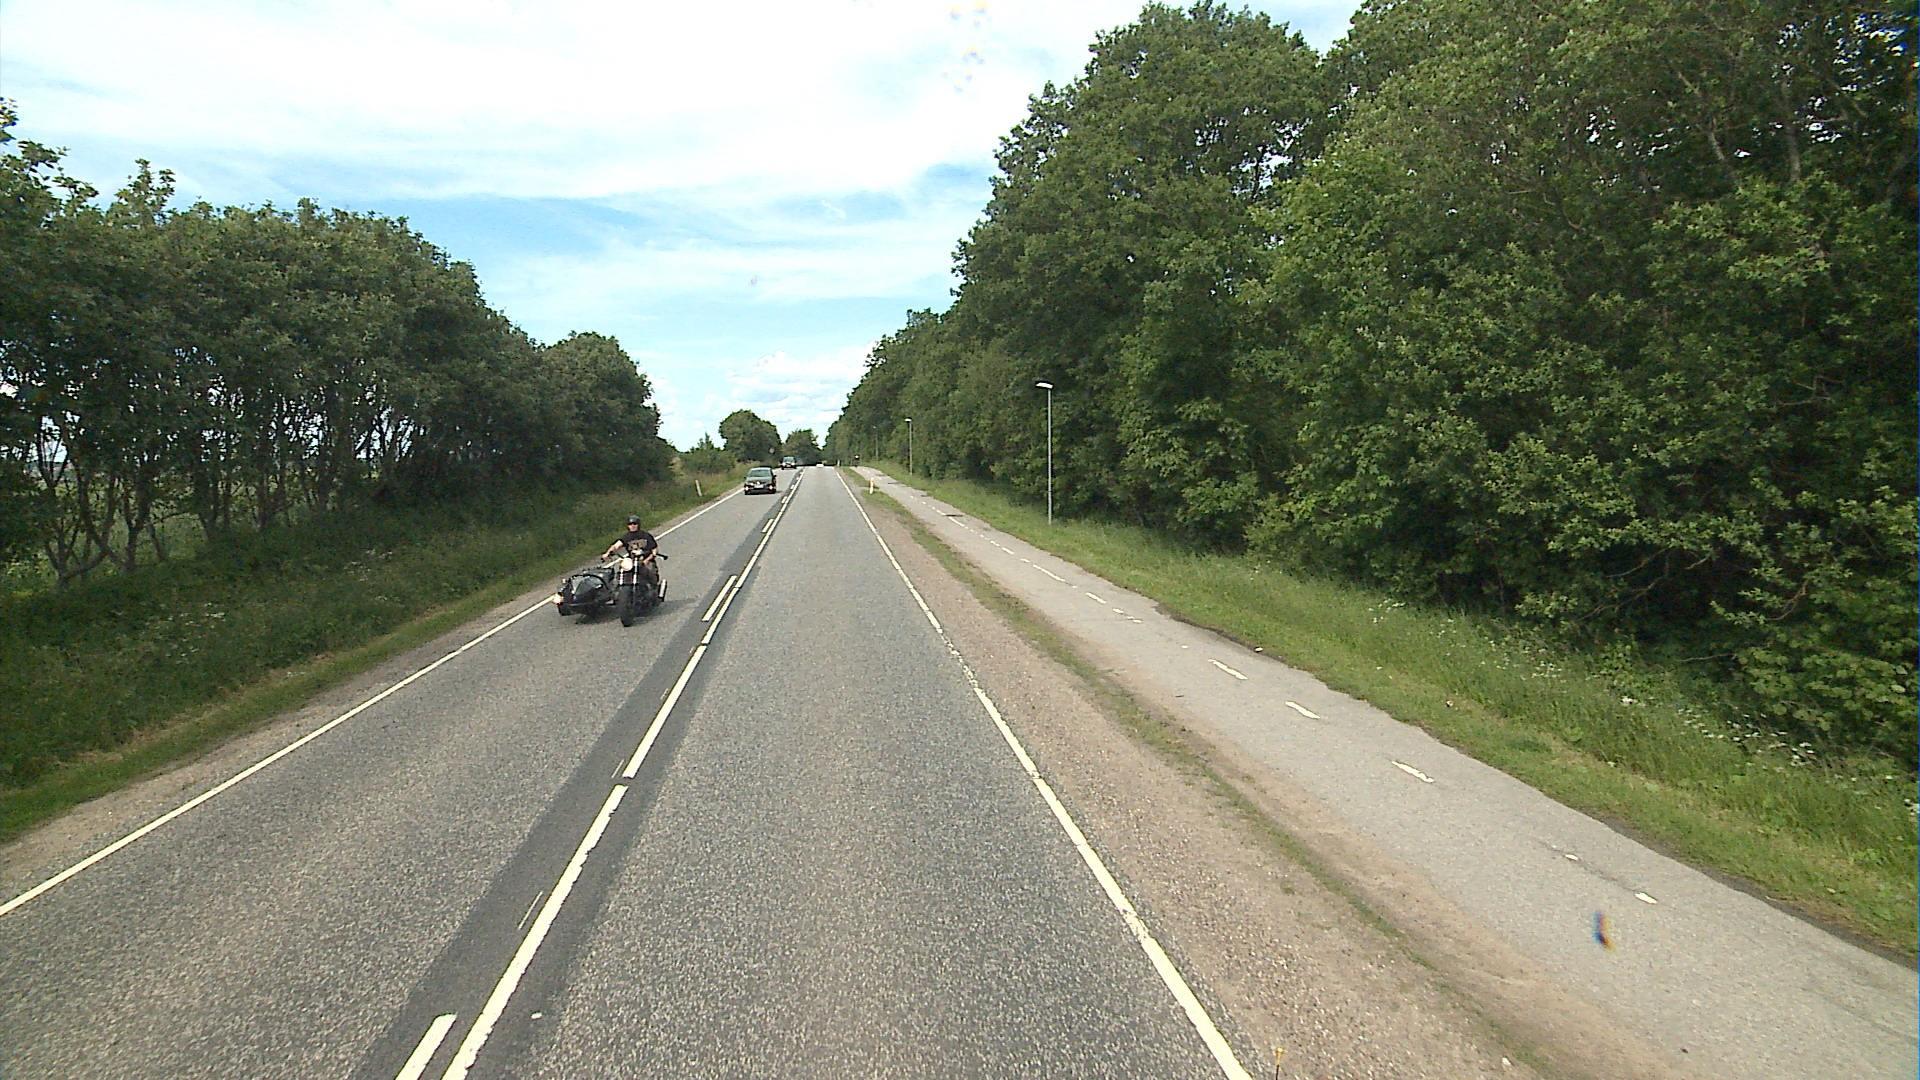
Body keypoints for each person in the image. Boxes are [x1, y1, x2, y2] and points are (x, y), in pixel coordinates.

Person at [604, 515, 660, 585]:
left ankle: (653, 587)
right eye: (630, 524)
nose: (632, 526)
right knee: (622, 571)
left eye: (634, 524)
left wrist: (647, 560)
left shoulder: (646, 535)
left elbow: (654, 549)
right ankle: (621, 586)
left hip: (646, 560)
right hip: (632, 561)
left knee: (650, 571)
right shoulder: (626, 537)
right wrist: (607, 553)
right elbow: (616, 546)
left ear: (638, 525)